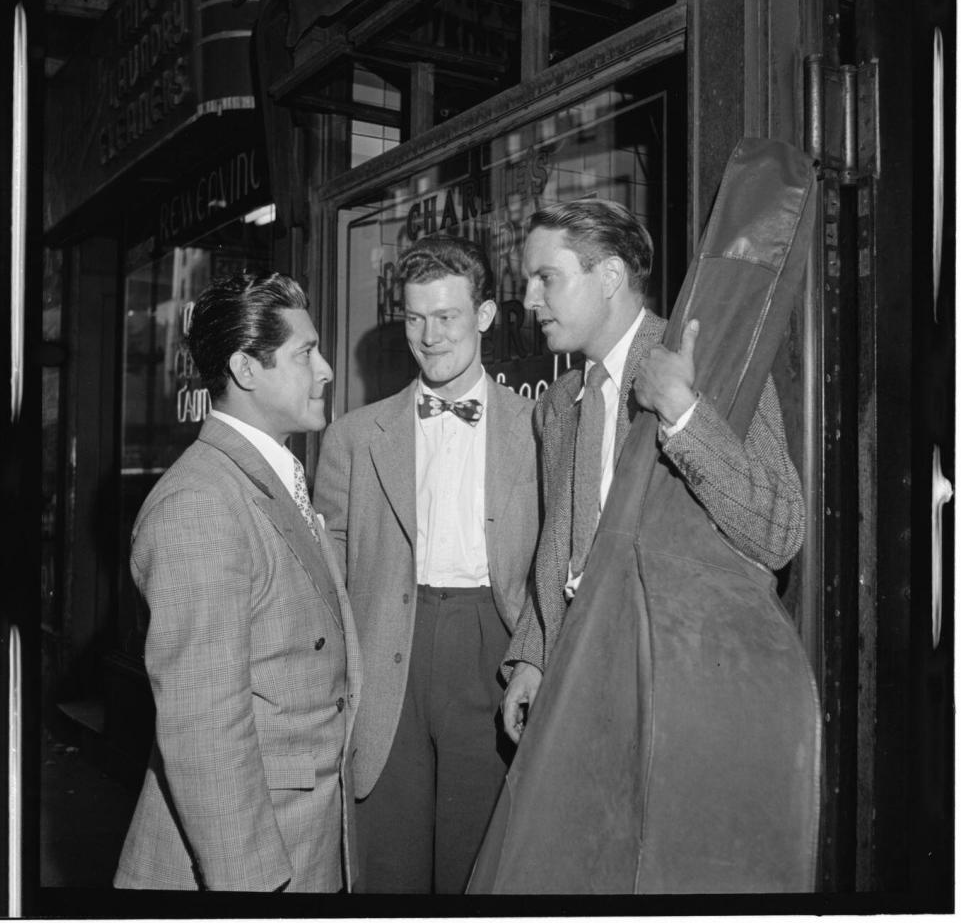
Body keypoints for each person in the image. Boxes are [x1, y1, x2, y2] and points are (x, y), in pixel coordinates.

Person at [501, 197, 804, 744]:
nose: (528, 300)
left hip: (679, 690)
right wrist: (533, 657)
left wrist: (684, 416)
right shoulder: (559, 402)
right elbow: (559, 548)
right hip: (579, 682)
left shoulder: (711, 365)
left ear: (610, 275)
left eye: (546, 278)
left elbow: (780, 532)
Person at [114, 272, 361, 893]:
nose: (326, 369)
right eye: (306, 353)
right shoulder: (200, 505)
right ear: (246, 370)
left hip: (300, 835)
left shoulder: (267, 477)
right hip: (254, 865)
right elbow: (205, 729)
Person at [314, 237, 540, 894]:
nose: (429, 336)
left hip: (493, 650)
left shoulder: (540, 426)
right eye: (414, 319)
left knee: (480, 861)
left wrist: (534, 656)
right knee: (387, 861)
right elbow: (327, 565)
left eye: (445, 317)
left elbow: (558, 559)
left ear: (486, 316)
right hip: (388, 651)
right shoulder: (354, 436)